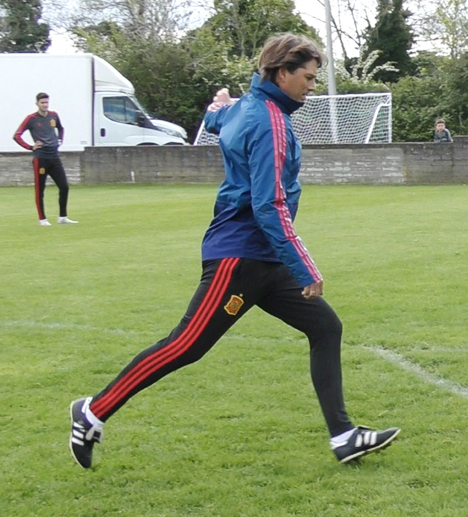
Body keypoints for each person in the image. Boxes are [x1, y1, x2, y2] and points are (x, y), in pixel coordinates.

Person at [68, 33, 400, 469]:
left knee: (325, 327)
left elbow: (218, 121)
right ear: (282, 73)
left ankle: (343, 437)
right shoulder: (270, 122)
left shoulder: (244, 107)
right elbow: (270, 203)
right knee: (186, 344)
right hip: (240, 256)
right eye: (308, 77)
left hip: (263, 257)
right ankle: (91, 412)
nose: (313, 86)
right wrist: (304, 267)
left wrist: (214, 106)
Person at [13, 92, 78, 226]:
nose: (45, 105)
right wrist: (31, 147)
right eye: (42, 103)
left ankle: (62, 217)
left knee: (64, 186)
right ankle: (42, 219)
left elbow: (61, 128)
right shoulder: (31, 119)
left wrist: (60, 140)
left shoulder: (53, 115)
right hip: (41, 159)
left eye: (46, 102)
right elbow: (17, 135)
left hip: (54, 157)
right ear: (37, 104)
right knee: (40, 190)